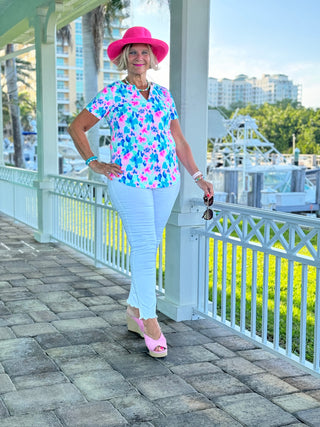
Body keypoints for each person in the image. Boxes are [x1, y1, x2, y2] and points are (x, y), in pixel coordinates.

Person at [68, 26, 214, 358]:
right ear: (124, 57)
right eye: (132, 52)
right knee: (146, 246)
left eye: (144, 52)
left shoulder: (163, 95)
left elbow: (179, 141)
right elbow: (77, 127)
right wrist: (94, 161)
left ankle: (134, 310)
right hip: (128, 181)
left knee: (147, 247)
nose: (138, 57)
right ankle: (150, 320)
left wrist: (197, 176)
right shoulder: (111, 94)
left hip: (166, 181)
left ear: (151, 58)